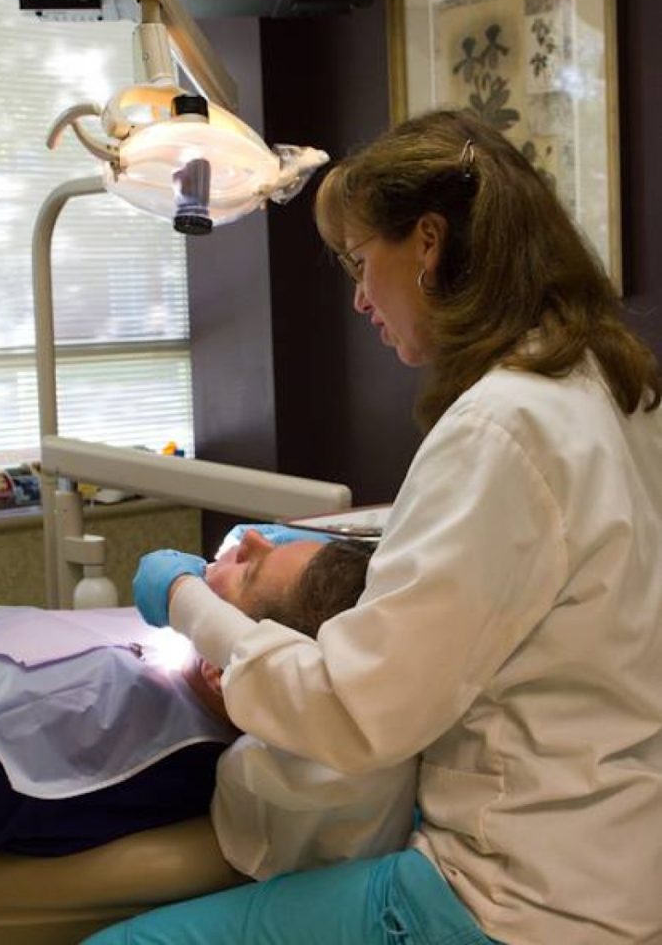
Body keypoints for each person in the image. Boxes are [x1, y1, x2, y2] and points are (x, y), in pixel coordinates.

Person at [87, 109, 662, 945]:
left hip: (512, 907)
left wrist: (185, 597)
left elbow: (351, 717)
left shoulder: (497, 425)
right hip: (619, 864)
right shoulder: (611, 387)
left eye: (361, 263)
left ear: (426, 244)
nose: (358, 297)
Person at [0, 526, 382, 857]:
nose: (252, 537)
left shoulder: (114, 744)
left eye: (248, 570)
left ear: (222, 673)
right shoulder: (175, 656)